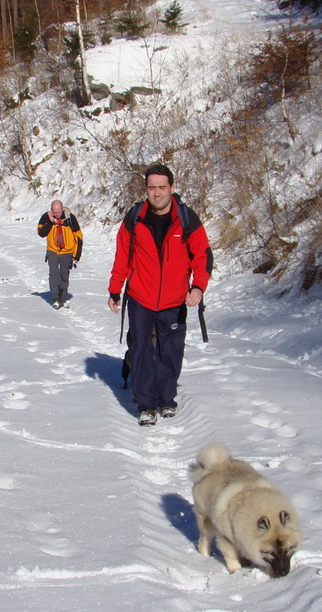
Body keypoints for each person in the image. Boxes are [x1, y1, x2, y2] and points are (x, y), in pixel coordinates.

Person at [107, 164, 213, 426]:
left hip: (175, 300)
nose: (157, 193)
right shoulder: (134, 219)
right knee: (142, 350)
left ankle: (167, 399)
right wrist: (115, 288)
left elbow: (203, 256)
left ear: (172, 188)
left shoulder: (187, 219)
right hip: (140, 298)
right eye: (152, 187)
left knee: (170, 352)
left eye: (162, 187)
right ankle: (146, 405)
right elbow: (123, 257)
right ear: (146, 189)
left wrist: (198, 286)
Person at [37, 200, 83, 309]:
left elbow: (79, 236)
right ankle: (55, 298)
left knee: (64, 275)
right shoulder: (46, 217)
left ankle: (63, 298)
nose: (57, 214)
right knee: (53, 274)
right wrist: (50, 222)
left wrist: (77, 255)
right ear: (51, 210)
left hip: (67, 251)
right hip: (52, 250)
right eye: (55, 211)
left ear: (62, 209)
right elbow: (41, 233)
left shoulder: (70, 218)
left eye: (58, 211)